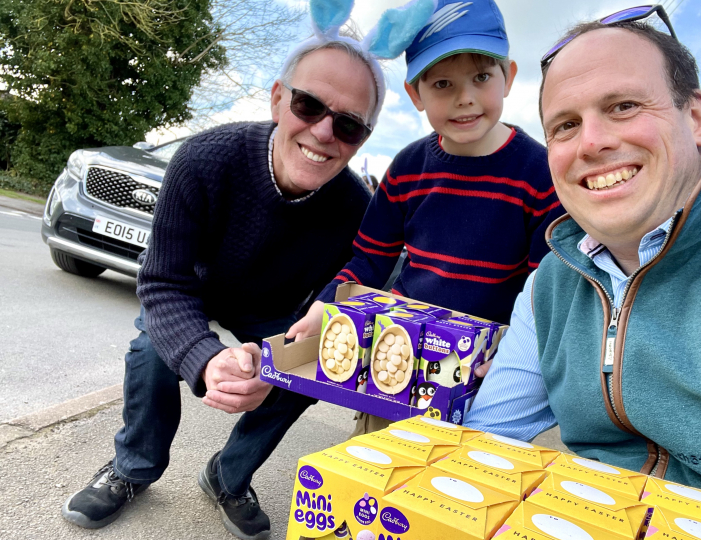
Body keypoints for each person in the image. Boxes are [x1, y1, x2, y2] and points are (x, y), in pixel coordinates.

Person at [59, 0, 436, 537]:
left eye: (349, 125)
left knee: (312, 372)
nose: (325, 132)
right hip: (195, 290)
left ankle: (229, 474)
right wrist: (206, 359)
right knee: (152, 348)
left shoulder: (355, 207)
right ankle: (132, 467)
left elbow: (351, 283)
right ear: (279, 98)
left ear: (365, 138)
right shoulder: (206, 159)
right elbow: (161, 283)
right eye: (309, 105)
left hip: (272, 312)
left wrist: (305, 336)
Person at [464, 7, 701, 540]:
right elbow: (489, 446)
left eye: (624, 106)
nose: (591, 142)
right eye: (565, 126)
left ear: (697, 117)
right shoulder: (552, 284)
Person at [287, 0, 564, 435]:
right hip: (397, 361)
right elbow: (370, 261)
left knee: (457, 490)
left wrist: (518, 347)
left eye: (481, 77)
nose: (465, 97)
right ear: (415, 94)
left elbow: (544, 288)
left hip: (484, 374)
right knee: (373, 475)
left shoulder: (540, 174)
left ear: (509, 77)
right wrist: (327, 303)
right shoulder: (407, 168)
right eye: (441, 84)